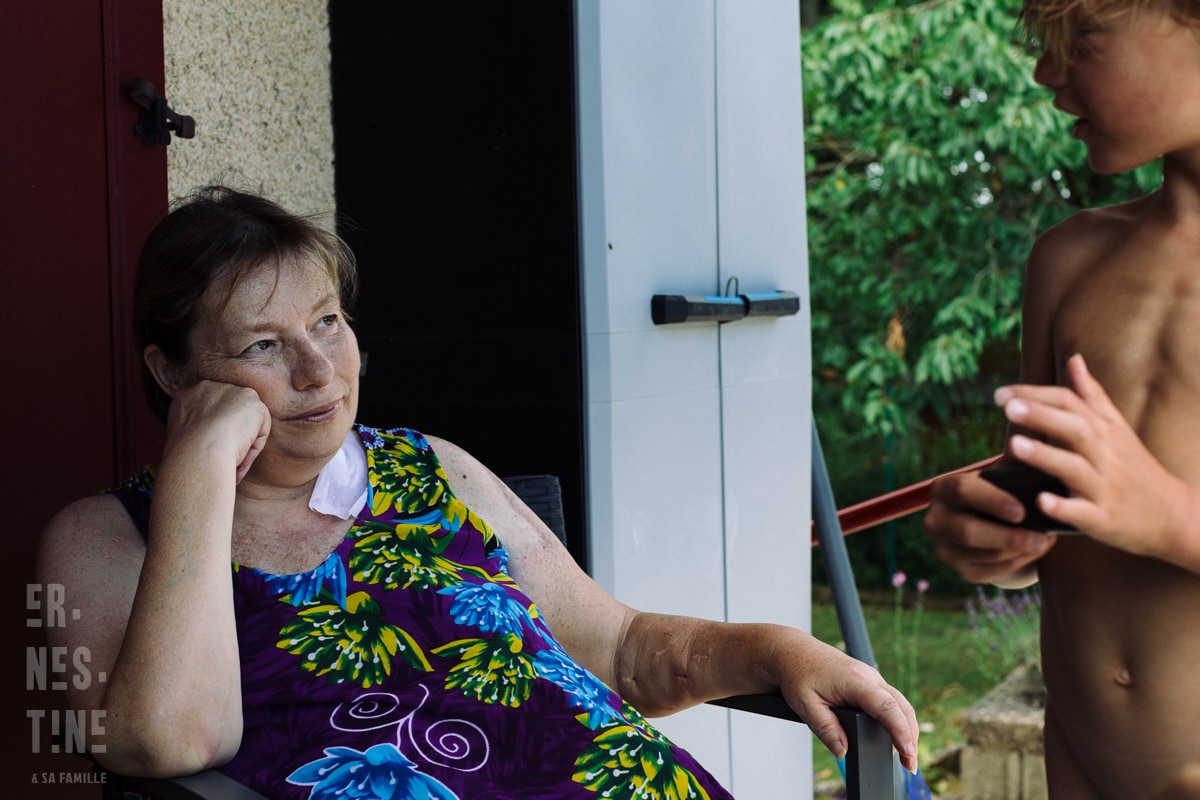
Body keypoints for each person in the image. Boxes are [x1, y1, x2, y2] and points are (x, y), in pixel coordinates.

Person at [38, 186, 917, 798]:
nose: (318, 371)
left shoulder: (433, 469)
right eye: (262, 347)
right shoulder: (105, 540)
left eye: (327, 323)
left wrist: (779, 652)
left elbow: (623, 652)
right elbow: (164, 744)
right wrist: (200, 466)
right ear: (171, 369)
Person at [922, 0, 1200, 796]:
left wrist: (1169, 516)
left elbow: (1143, 510)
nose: (1046, 73)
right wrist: (997, 535)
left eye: (1079, 39)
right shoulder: (1069, 260)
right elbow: (1055, 519)